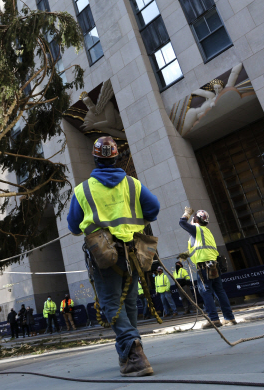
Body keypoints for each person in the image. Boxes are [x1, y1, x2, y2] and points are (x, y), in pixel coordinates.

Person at [67, 136, 160, 377]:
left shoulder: (83, 189)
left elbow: (74, 226)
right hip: (132, 251)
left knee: (111, 305)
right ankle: (128, 354)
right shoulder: (132, 184)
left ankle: (134, 351)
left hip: (104, 253)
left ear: (95, 158)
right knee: (128, 302)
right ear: (117, 157)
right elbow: (154, 209)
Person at [179, 207, 237, 329]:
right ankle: (229, 318)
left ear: (196, 219)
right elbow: (202, 248)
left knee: (206, 292)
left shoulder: (197, 229)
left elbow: (182, 223)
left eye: (193, 217)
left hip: (204, 267)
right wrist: (189, 254)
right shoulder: (206, 231)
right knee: (219, 291)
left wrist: (186, 214)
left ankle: (214, 320)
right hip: (213, 265)